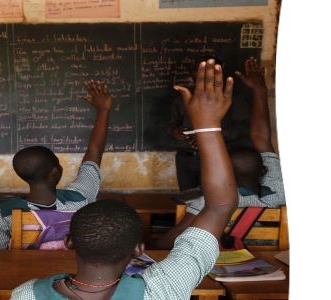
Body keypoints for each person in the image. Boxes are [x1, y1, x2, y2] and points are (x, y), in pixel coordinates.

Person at [12, 58, 239, 299]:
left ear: (68, 242)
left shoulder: (26, 295)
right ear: (138, 250)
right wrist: (207, 124)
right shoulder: (163, 289)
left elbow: (218, 208)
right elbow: (219, 206)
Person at [153, 57, 285, 250]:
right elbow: (261, 136)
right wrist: (260, 89)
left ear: (225, 173)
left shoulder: (210, 203)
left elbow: (170, 240)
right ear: (264, 170)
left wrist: (147, 247)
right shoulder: (279, 191)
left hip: (215, 265)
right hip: (267, 261)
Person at [0, 80, 112, 252]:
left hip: (23, 276)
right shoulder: (81, 199)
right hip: (73, 273)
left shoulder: (5, 212)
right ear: (56, 173)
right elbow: (94, 153)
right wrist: (103, 110)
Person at [169, 56, 252, 191]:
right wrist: (176, 132)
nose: (206, 76)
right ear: (193, 74)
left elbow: (244, 127)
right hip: (186, 159)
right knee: (188, 200)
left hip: (219, 158)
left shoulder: (233, 99)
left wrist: (207, 136)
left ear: (220, 74)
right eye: (200, 72)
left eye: (212, 72)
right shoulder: (183, 99)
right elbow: (172, 125)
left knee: (214, 197)